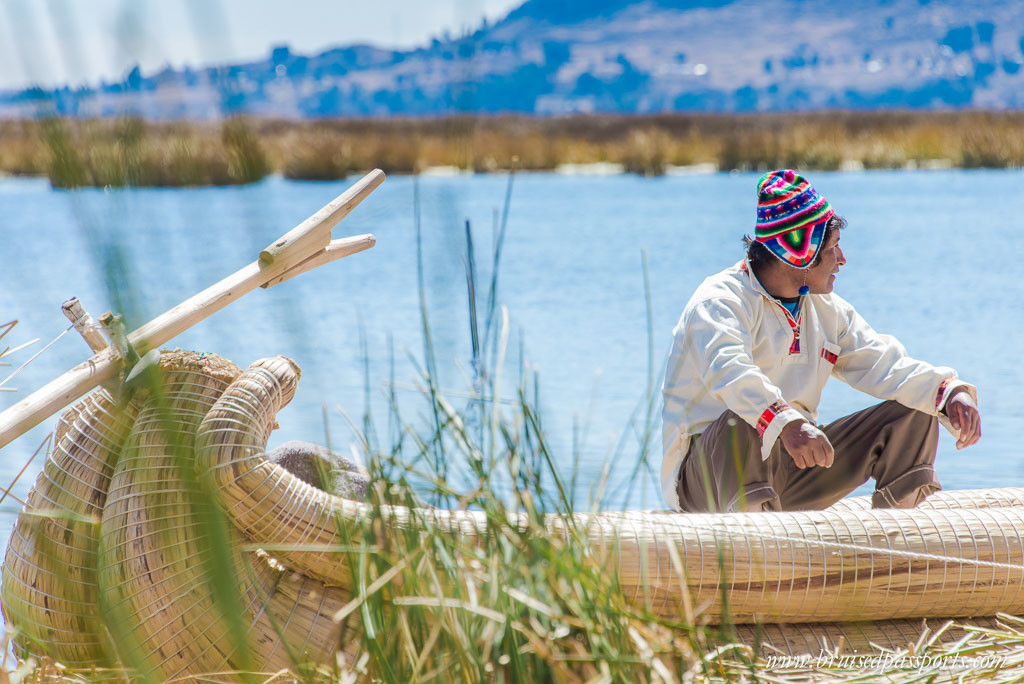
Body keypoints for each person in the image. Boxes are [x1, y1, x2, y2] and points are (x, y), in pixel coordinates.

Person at [661, 169, 981, 513]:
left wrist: (949, 392)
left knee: (916, 411)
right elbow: (730, 372)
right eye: (832, 249)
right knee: (745, 418)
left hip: (791, 468)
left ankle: (896, 539)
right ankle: (757, 543)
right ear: (800, 253)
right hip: (709, 483)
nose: (842, 259)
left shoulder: (826, 309)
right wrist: (786, 422)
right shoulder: (719, 301)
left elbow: (884, 363)